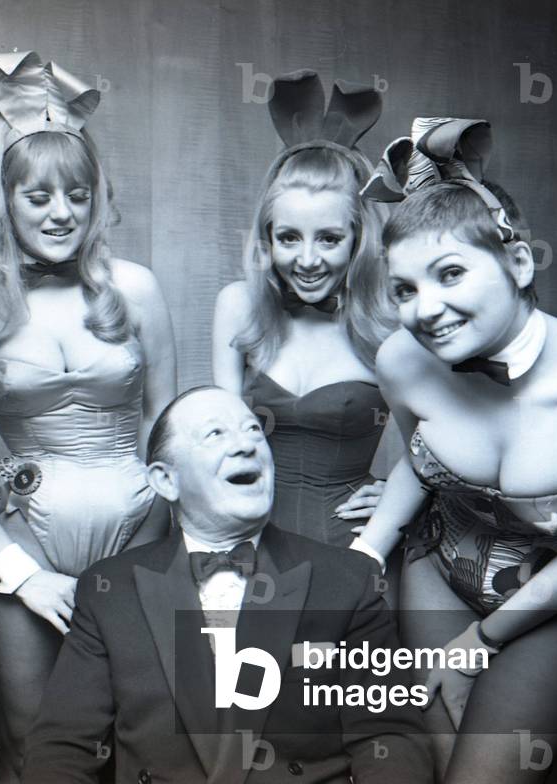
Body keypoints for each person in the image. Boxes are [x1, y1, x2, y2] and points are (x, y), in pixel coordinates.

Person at [356, 118, 557, 782]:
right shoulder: (400, 358)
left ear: (519, 262)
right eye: (405, 289)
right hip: (435, 571)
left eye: (450, 273)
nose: (426, 309)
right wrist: (368, 546)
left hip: (554, 599)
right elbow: (415, 464)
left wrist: (476, 645)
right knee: (439, 769)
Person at [23, 386, 433, 784]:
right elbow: (63, 748)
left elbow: (388, 736)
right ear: (166, 480)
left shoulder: (347, 579)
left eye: (253, 430)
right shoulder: (109, 588)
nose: (246, 445)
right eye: (215, 433)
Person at [0, 51, 177, 782]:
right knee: (36, 744)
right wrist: (19, 573)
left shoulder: (136, 290)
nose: (62, 213)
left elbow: (167, 431)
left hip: (141, 536)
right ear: (2, 200)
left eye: (78, 195)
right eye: (38, 196)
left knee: (138, 740)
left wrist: (162, 548)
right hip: (23, 548)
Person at [212, 70, 397, 552]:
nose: (308, 260)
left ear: (359, 239)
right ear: (267, 237)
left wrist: (402, 496)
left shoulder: (391, 324)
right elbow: (217, 444)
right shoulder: (238, 306)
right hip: (247, 542)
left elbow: (449, 439)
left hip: (354, 549)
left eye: (330, 239)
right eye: (289, 237)